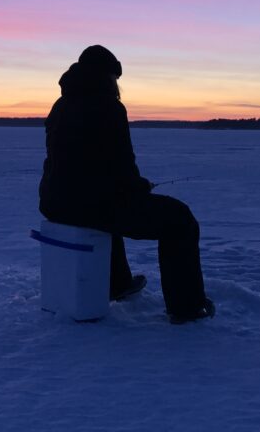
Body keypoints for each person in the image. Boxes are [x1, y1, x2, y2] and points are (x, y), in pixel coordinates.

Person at [38, 45, 214, 323]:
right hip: (85, 204)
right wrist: (140, 186)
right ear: (108, 77)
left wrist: (128, 186)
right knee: (180, 219)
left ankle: (118, 283)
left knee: (104, 209)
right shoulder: (108, 106)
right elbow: (121, 167)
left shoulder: (61, 106)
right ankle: (187, 306)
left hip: (55, 202)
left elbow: (88, 168)